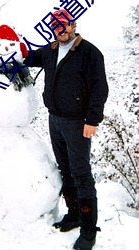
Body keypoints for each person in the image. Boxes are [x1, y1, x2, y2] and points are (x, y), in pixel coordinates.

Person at [24, 9, 108, 250]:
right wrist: (2, 46)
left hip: (78, 123)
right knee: (65, 169)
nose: (60, 29)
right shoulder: (49, 52)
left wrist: (92, 120)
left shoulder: (89, 53)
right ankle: (74, 214)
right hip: (55, 120)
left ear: (73, 24)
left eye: (64, 24)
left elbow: (99, 88)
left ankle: (89, 231)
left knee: (81, 173)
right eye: (55, 26)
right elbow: (27, 57)